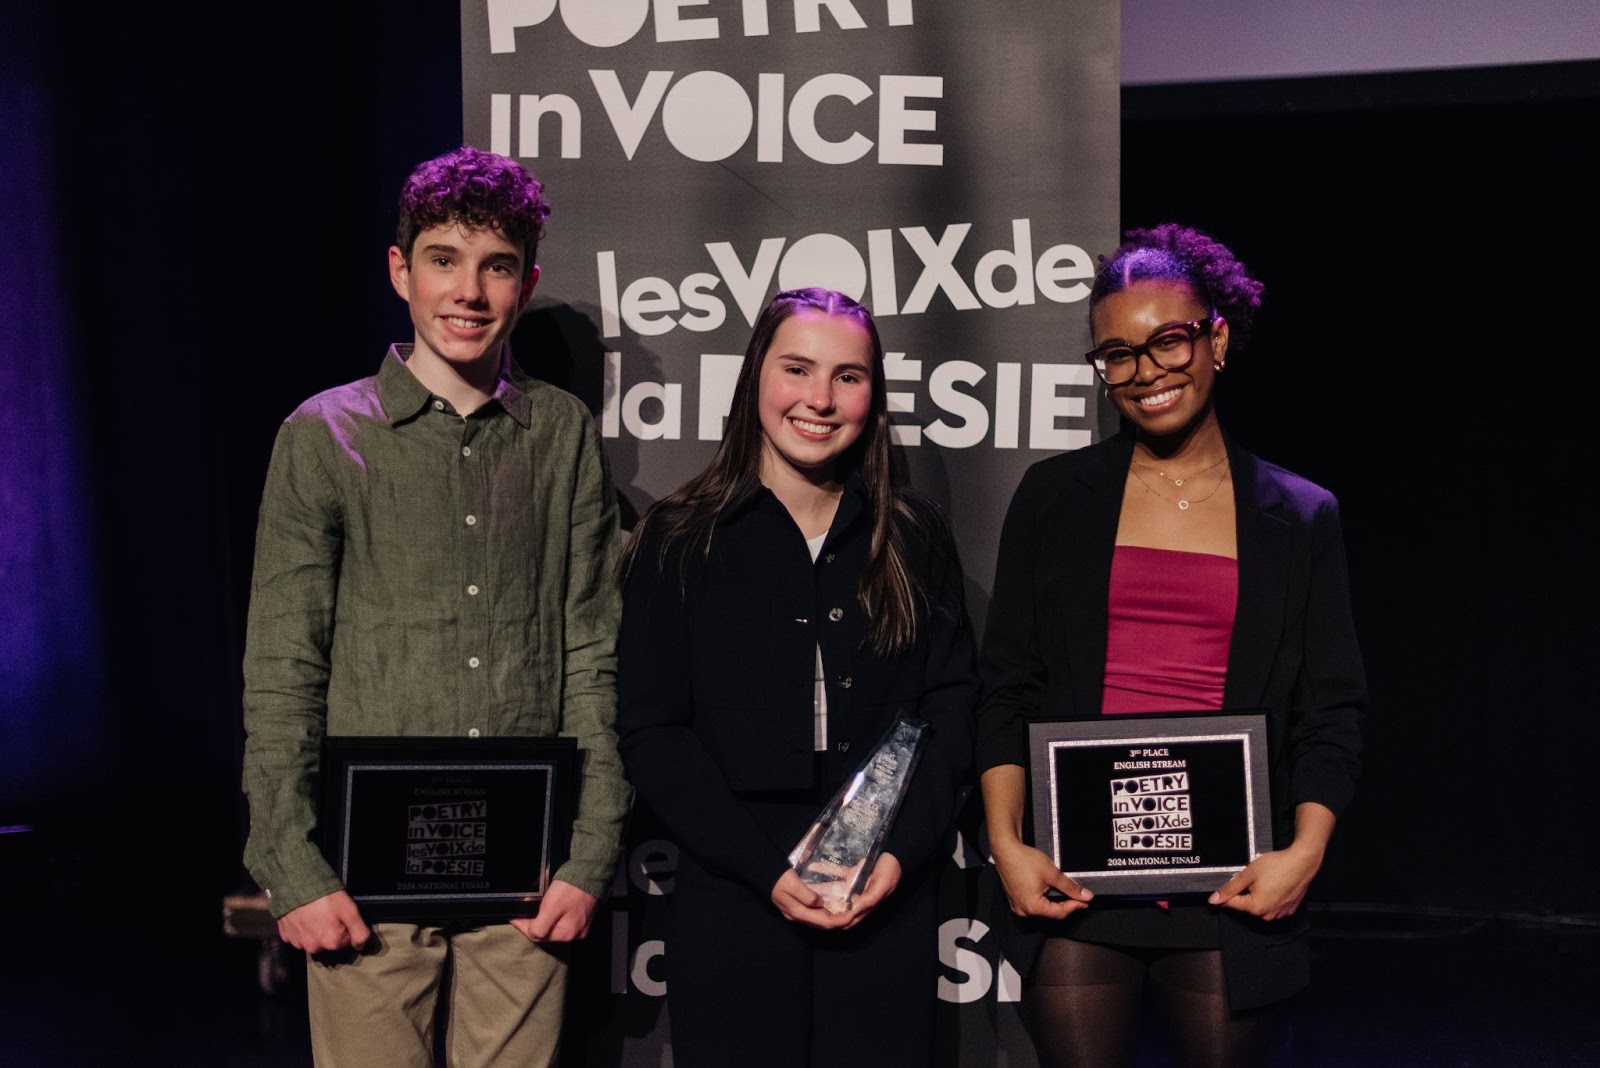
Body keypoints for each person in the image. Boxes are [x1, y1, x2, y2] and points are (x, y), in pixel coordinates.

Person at [240, 145, 631, 1067]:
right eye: (444, 259)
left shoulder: (562, 434)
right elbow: (283, 667)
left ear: (526, 282)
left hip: (526, 883)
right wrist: (290, 867)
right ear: (400, 270)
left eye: (496, 266)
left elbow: (591, 646)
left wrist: (589, 854)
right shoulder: (322, 435)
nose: (469, 290)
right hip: (363, 881)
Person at [976, 224, 1365, 1067]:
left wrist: (1304, 852)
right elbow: (1006, 686)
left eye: (1168, 340)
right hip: (1081, 881)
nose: (1146, 371)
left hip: (1235, 882)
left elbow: (1331, 711)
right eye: (1117, 354)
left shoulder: (1299, 516)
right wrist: (1008, 846)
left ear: (1216, 338)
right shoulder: (1054, 499)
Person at [616, 288, 978, 1066]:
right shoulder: (679, 540)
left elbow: (950, 712)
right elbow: (651, 730)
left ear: (873, 394)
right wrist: (761, 869)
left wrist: (898, 856)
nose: (820, 398)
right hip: (732, 885)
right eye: (798, 369)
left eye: (848, 376)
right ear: (755, 379)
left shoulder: (911, 538)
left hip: (882, 890)